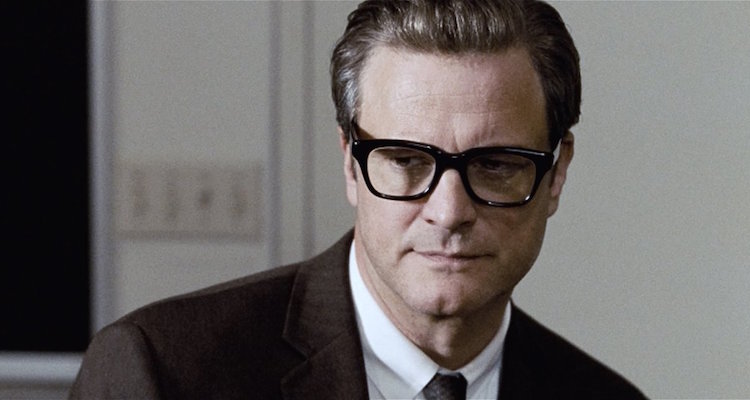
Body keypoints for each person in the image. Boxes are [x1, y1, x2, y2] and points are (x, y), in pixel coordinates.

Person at [71, 0, 647, 399]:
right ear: (350, 162)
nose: (449, 212)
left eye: (495, 166)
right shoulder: (165, 374)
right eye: (407, 161)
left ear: (556, 173)